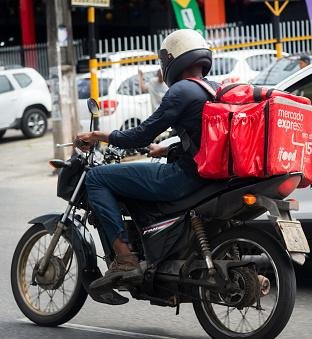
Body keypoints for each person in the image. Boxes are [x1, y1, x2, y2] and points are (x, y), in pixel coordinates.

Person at [74, 29, 217, 295]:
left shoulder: (182, 90)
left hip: (184, 178)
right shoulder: (212, 88)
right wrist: (166, 150)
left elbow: (140, 133)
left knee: (97, 177)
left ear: (172, 59)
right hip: (206, 174)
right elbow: (203, 138)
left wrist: (98, 135)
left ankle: (125, 258)